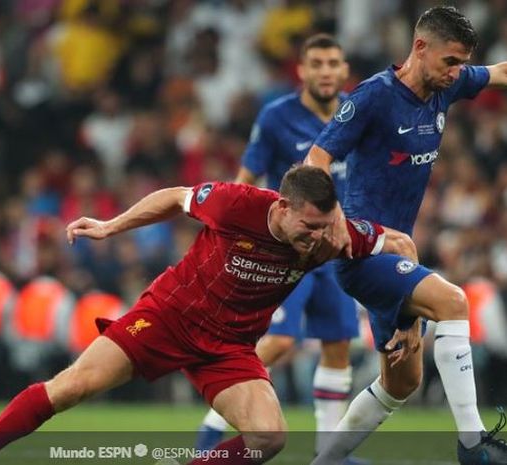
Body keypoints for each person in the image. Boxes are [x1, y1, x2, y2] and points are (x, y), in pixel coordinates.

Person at [305, 6, 507, 465]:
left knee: (401, 384)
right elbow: (316, 159)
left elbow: (506, 72)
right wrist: (335, 225)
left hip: (396, 251)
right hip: (363, 249)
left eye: (461, 63)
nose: (456, 73)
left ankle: (323, 462)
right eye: (450, 61)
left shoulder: (442, 89)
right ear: (419, 47)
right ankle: (474, 445)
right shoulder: (373, 97)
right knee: (453, 301)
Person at [0, 166, 415, 465]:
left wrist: (408, 322)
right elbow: (173, 197)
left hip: (229, 347)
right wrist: (109, 227)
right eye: (310, 227)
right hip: (168, 317)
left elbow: (401, 246)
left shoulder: (334, 236)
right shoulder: (235, 203)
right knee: (71, 387)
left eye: (325, 226)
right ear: (282, 208)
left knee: (269, 438)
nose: (318, 238)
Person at [196, 33, 366, 462]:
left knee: (337, 343)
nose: (325, 71)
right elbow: (245, 177)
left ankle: (330, 453)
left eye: (333, 63)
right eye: (317, 64)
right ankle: (210, 434)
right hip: (287, 251)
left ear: (344, 71)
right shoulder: (276, 117)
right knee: (279, 342)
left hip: (337, 251)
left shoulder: (356, 113)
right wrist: (232, 234)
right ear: (302, 71)